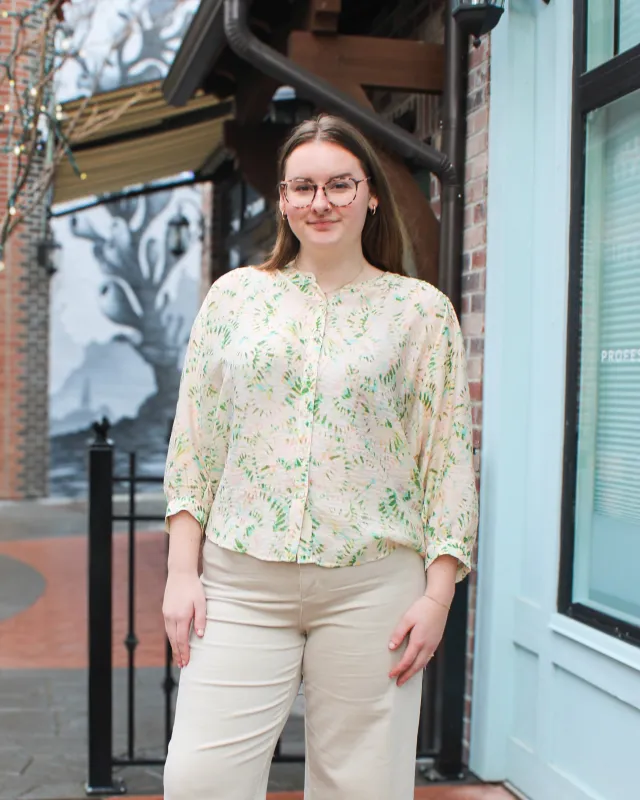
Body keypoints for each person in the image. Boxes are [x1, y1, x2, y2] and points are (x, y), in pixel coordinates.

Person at [162, 113, 478, 800]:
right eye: (302, 186)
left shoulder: (420, 313)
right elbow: (196, 441)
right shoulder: (235, 299)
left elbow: (445, 458)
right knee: (199, 780)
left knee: (361, 787)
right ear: (281, 199)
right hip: (240, 584)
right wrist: (181, 573)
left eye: (340, 184)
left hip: (373, 589)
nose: (321, 201)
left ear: (370, 194)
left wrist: (438, 593)